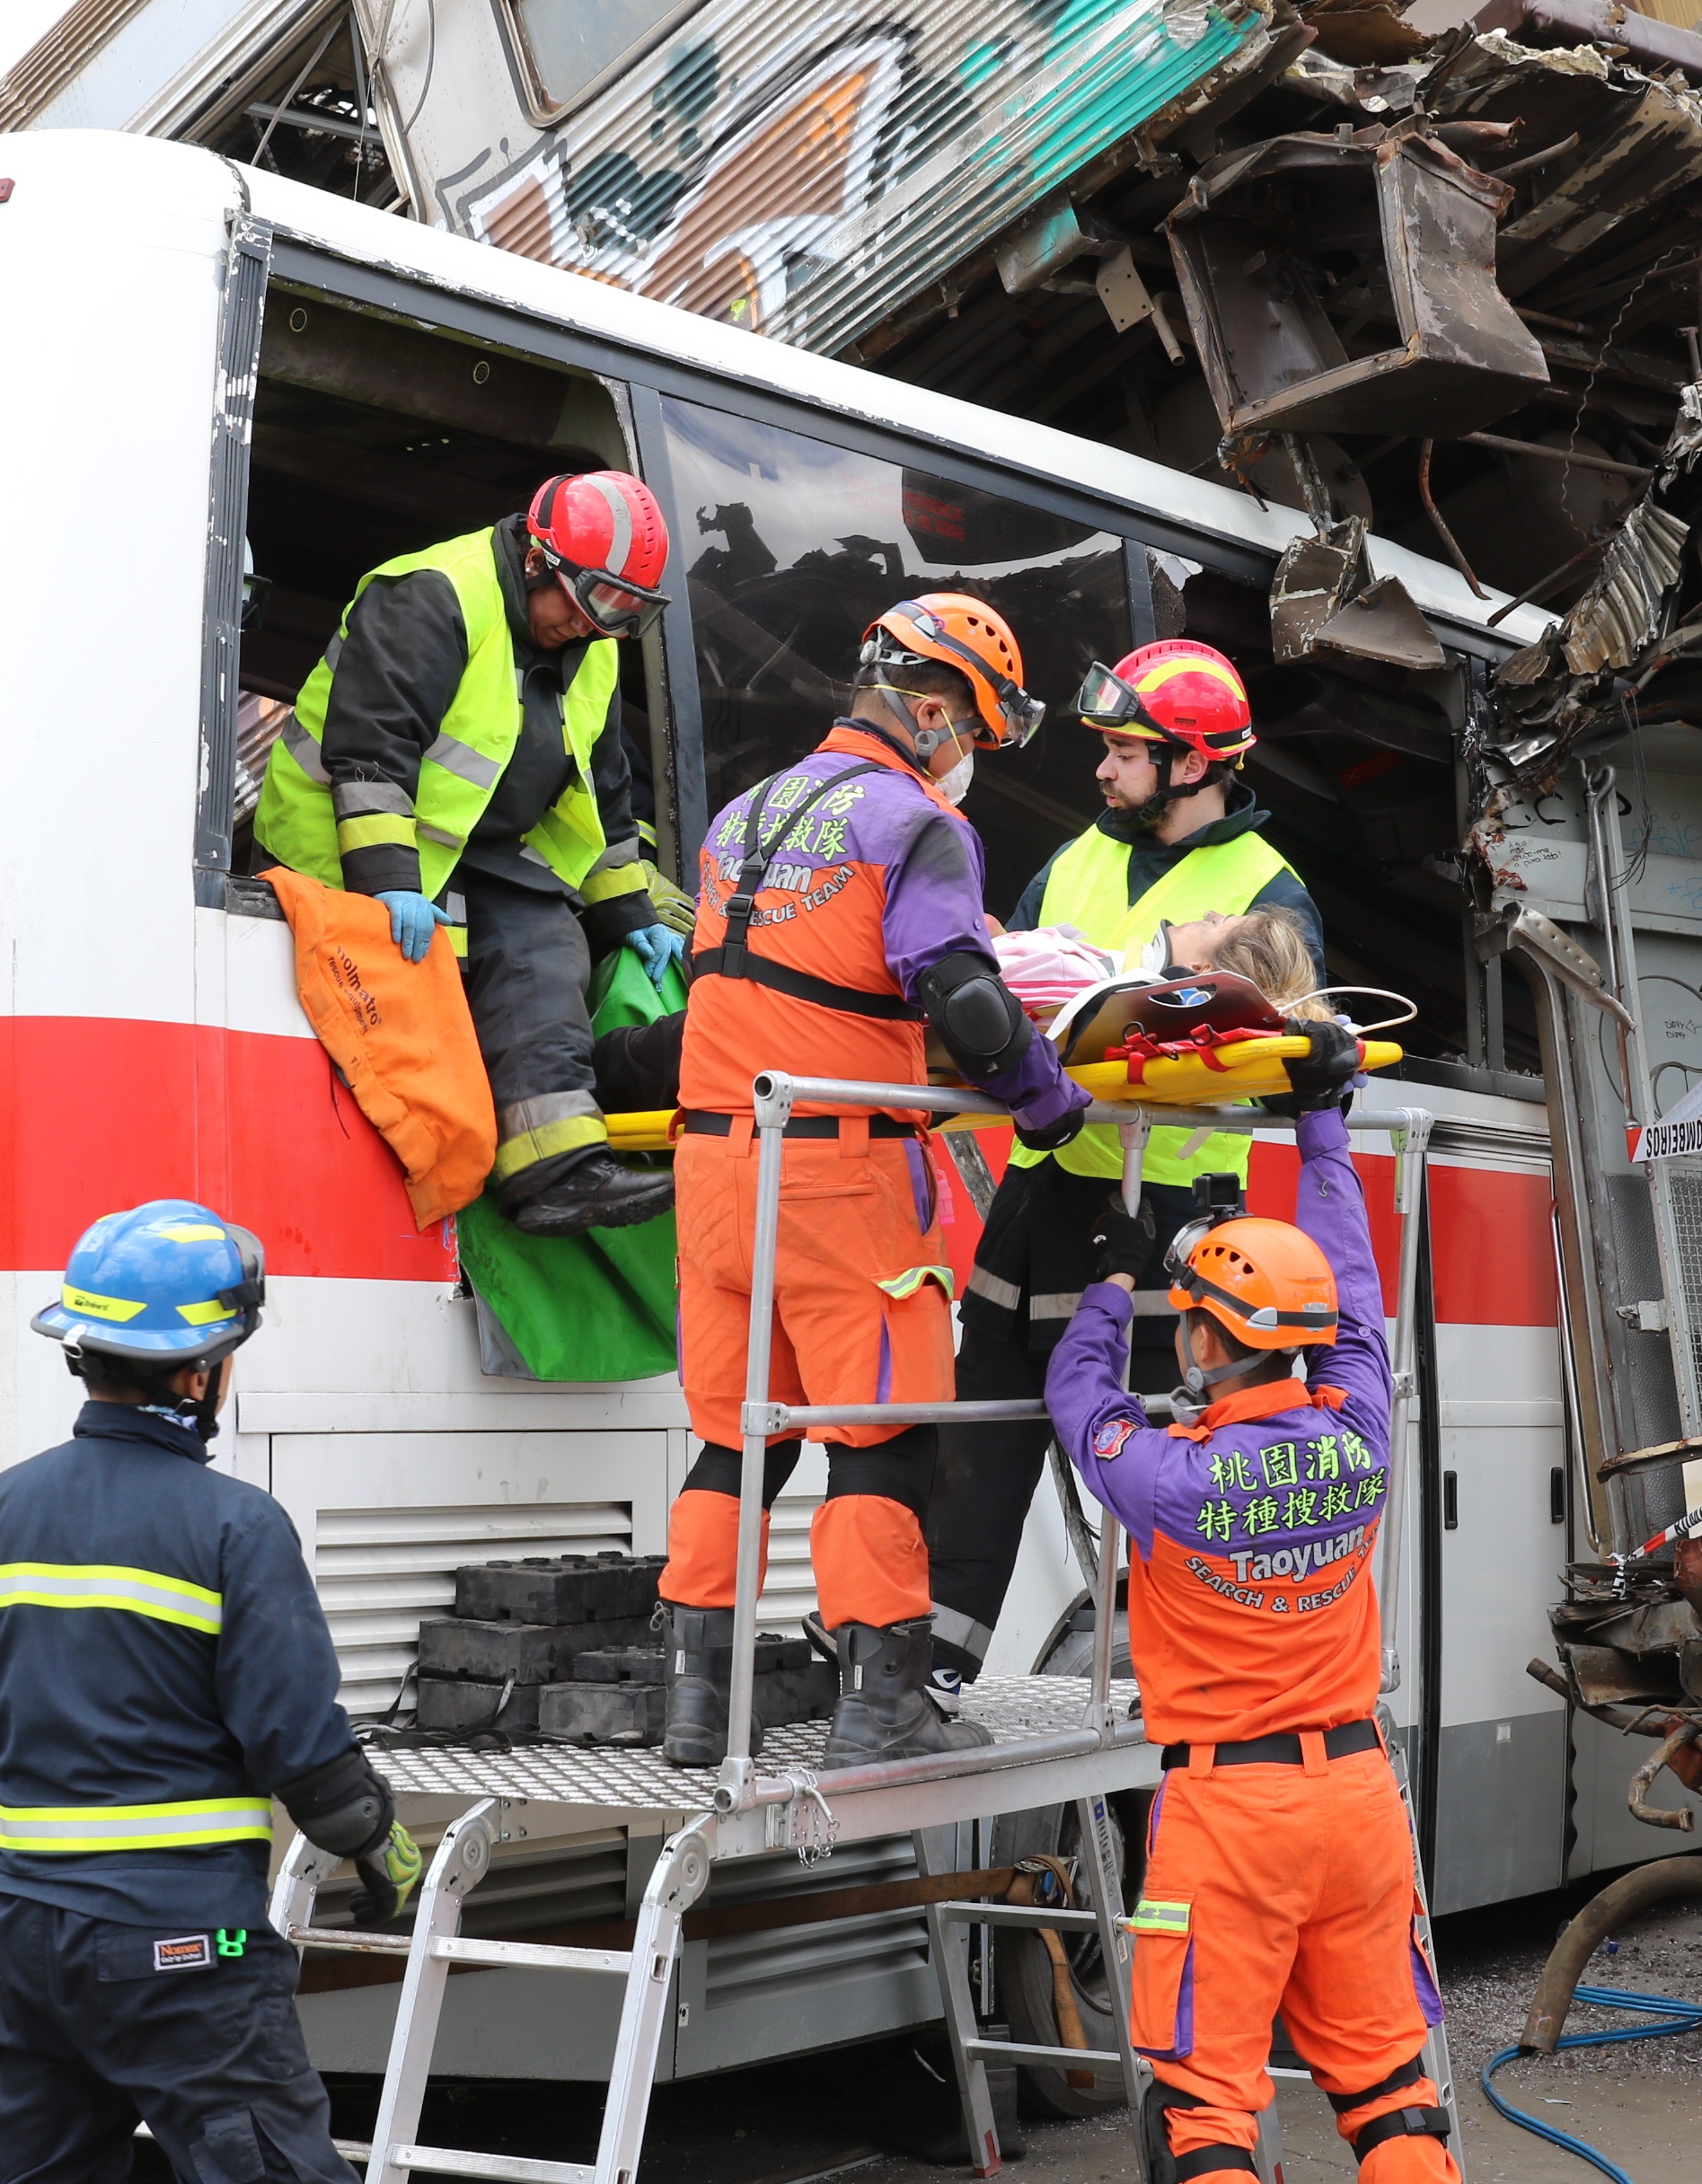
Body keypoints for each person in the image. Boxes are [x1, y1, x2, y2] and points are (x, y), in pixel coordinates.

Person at [0, 1201, 420, 2184]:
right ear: (201, 1369)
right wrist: (383, 1844)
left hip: (35, 1944)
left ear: (82, 1352)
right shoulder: (237, 1531)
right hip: (187, 1954)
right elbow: (303, 1752)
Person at [657, 594, 1093, 1769]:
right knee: (878, 1437)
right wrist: (1050, 1100)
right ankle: (881, 1704)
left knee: (735, 1439)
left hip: (713, 1174)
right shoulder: (913, 825)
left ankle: (695, 1705)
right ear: (937, 710)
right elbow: (966, 1000)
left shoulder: (742, 817)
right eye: (976, 738)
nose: (970, 764)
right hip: (840, 1182)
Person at [1045, 1026, 1458, 2184]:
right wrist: (1322, 1124)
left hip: (1232, 1816)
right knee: (1390, 2091)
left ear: (1204, 1339)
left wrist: (1111, 1283)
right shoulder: (1362, 1436)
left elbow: (1075, 1394)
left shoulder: (1171, 1477)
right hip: (1362, 1804)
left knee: (1209, 2110)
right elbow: (1357, 1300)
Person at [922, 639, 1325, 1698]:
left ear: (1193, 764)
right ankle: (928, 1666)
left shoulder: (1267, 889)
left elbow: (1294, 1051)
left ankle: (1185, 1678)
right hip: (1040, 1186)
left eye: (1126, 752)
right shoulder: (1072, 858)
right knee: (982, 1434)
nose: (1101, 770)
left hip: (1172, 1213)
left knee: (1155, 1464)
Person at [251, 471, 684, 1236]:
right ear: (534, 562)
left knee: (547, 946)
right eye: (585, 605)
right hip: (340, 845)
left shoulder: (596, 645)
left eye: (619, 615)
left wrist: (628, 913)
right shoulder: (433, 593)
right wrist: (387, 880)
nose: (591, 627)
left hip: (475, 850)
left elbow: (603, 789)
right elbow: (371, 752)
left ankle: (557, 1170)